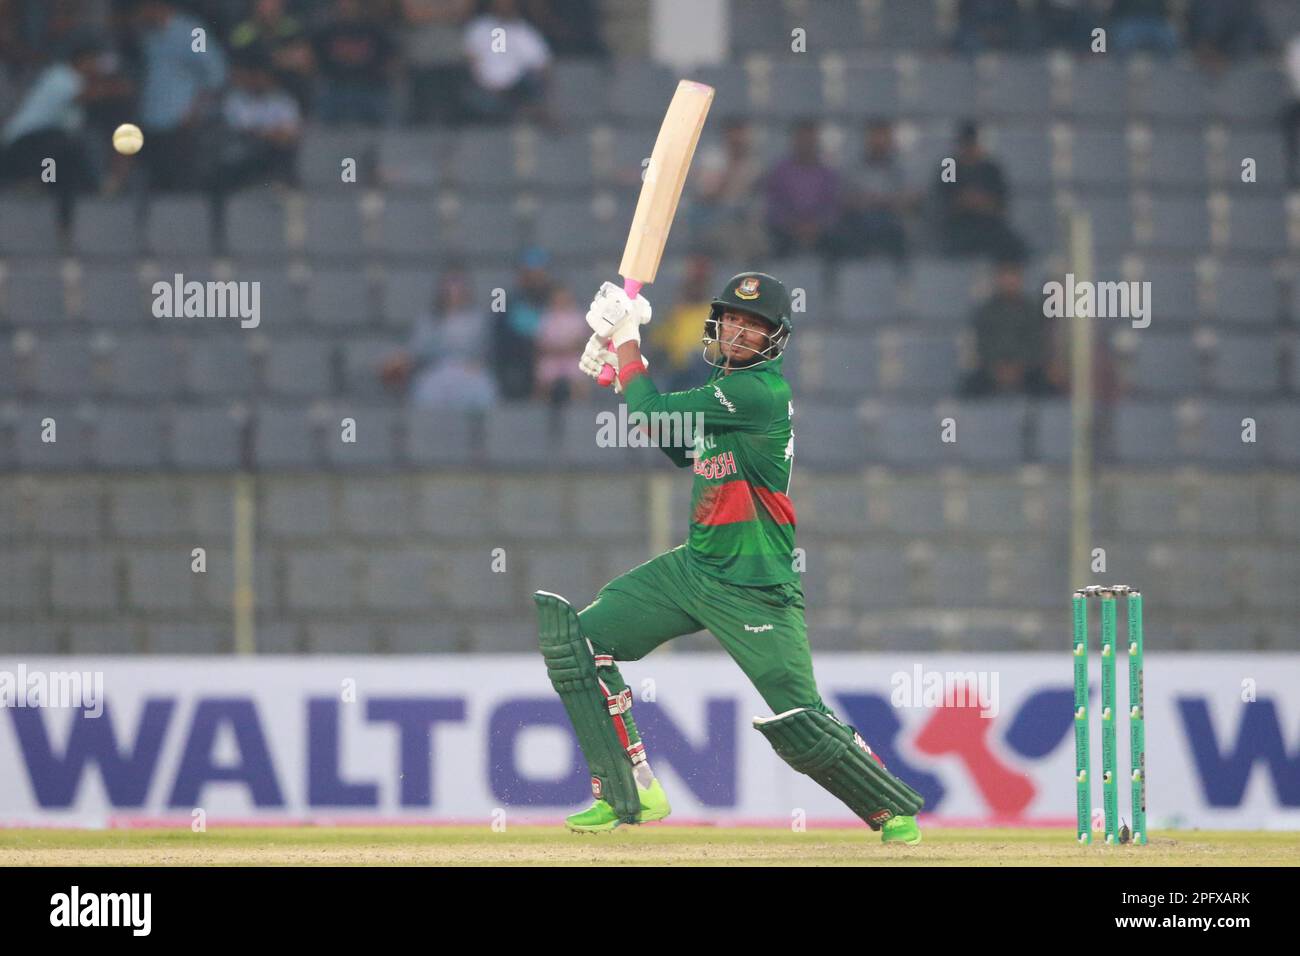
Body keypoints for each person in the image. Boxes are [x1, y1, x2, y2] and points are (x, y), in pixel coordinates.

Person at [529, 273, 925, 843]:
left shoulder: (758, 392)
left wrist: (626, 339)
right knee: (579, 643)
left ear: (775, 339)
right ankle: (630, 788)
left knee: (803, 719)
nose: (740, 331)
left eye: (754, 324)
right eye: (733, 320)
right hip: (695, 567)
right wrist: (625, 374)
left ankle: (891, 808)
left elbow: (653, 415)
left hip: (754, 582)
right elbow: (672, 443)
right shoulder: (723, 392)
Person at [131, 0, 228, 191]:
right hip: (152, 120)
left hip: (182, 120)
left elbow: (215, 73)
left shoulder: (193, 32)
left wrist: (195, 110)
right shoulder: (148, 35)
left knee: (182, 188)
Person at [380, 268, 497, 409]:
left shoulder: (478, 320)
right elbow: (415, 352)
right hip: (436, 372)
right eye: (449, 286)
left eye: (457, 286)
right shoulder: (428, 321)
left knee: (482, 389)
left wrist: (477, 364)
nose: (453, 291)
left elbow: (487, 351)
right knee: (425, 391)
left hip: (470, 371)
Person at [960, 256, 1063, 396]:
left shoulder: (1031, 311)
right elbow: (982, 345)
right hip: (992, 371)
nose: (1009, 281)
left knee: (1049, 387)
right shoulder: (986, 312)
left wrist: (1020, 367)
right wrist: (998, 367)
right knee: (969, 388)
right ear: (997, 279)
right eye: (1005, 276)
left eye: (1013, 276)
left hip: (1026, 370)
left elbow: (1036, 344)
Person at [212, 46, 301, 192]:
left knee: (283, 149)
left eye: (262, 75)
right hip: (243, 153)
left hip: (274, 152)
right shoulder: (235, 99)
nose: (258, 80)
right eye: (254, 75)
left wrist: (267, 133)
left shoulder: (284, 100)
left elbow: (289, 133)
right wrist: (270, 133)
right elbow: (242, 129)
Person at [935, 121, 1026, 259]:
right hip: (959, 227)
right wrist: (964, 201)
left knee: (1014, 246)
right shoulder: (950, 167)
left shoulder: (991, 169)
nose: (969, 149)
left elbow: (1001, 205)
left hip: (989, 225)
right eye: (965, 144)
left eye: (972, 144)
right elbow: (944, 204)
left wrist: (982, 203)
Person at [461, 0, 551, 124]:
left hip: (517, 89)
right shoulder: (479, 28)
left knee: (533, 83)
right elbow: (470, 60)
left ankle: (530, 114)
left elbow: (542, 63)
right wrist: (489, 85)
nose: (504, 5)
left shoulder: (524, 31)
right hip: (484, 89)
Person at [836, 119, 913, 261]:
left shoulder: (899, 169)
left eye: (883, 138)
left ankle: (900, 278)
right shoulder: (854, 168)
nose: (879, 143)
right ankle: (854, 276)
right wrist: (865, 200)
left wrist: (887, 200)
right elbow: (845, 198)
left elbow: (908, 198)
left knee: (900, 232)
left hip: (889, 219)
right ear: (867, 140)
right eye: (875, 137)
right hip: (861, 219)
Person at [764, 121, 840, 258]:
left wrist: (817, 225)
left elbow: (832, 206)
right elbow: (774, 205)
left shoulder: (827, 174)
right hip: (786, 231)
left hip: (821, 232)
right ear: (794, 141)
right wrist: (792, 225)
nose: (806, 143)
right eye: (802, 139)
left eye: (809, 139)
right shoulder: (780, 173)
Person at [313, 0, 394, 126]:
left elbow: (390, 56)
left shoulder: (374, 28)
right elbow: (314, 58)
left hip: (371, 86)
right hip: (335, 86)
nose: (346, 5)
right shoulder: (325, 30)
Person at [491, 247, 553, 401]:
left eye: (539, 273)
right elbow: (501, 339)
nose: (534, 278)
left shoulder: (556, 302)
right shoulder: (507, 303)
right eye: (529, 273)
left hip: (550, 360)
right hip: (518, 363)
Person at [534, 285, 592, 403]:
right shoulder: (546, 318)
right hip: (551, 359)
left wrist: (568, 349)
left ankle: (578, 412)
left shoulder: (577, 318)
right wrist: (557, 350)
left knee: (580, 381)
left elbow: (583, 342)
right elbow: (539, 343)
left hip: (573, 358)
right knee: (543, 379)